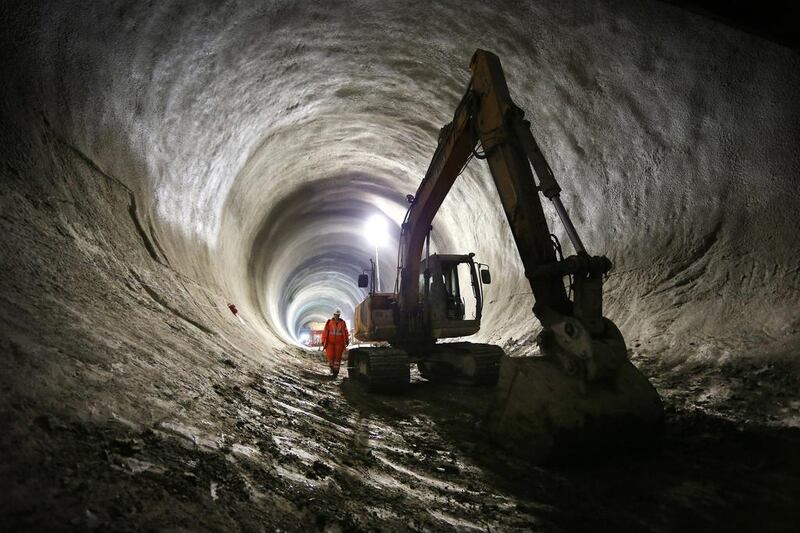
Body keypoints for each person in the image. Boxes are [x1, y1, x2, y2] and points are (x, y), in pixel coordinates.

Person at [321, 309, 349, 376]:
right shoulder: (329, 322)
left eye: (338, 315)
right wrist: (323, 340)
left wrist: (347, 340)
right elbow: (325, 332)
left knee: (337, 358)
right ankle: (331, 367)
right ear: (333, 315)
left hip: (339, 344)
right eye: (336, 315)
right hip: (330, 343)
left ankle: (335, 372)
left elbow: (345, 332)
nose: (337, 316)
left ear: (339, 315)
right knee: (330, 356)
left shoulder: (343, 323)